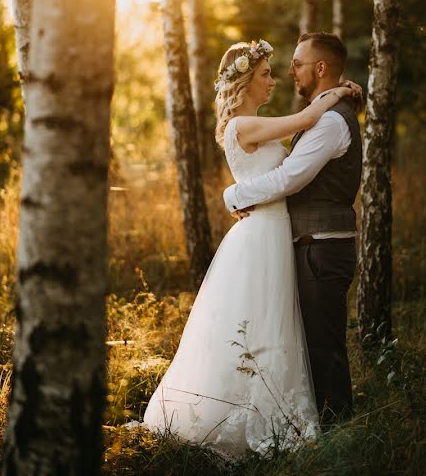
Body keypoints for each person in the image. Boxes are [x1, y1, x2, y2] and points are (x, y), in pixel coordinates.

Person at [142, 39, 360, 456]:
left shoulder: (256, 124)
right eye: (265, 74)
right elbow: (307, 118)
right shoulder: (242, 127)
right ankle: (251, 414)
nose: (275, 80)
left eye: (280, 71)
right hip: (263, 233)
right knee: (260, 320)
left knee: (276, 323)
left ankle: (281, 408)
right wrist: (340, 90)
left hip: (278, 233)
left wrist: (339, 90)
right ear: (244, 81)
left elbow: (303, 139)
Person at [223, 32, 362, 425]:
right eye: (269, 72)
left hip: (319, 244)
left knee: (322, 343)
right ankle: (309, 418)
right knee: (295, 337)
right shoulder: (320, 115)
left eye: (297, 64)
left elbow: (288, 178)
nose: (287, 73)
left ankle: (337, 428)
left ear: (320, 69)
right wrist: (339, 93)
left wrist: (233, 195)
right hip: (289, 239)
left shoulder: (330, 122)